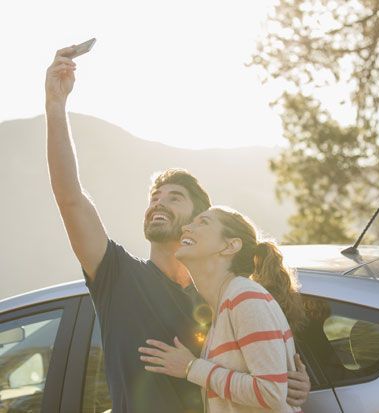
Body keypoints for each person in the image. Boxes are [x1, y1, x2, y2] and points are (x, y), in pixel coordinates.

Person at [45, 45, 311, 413]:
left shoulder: (225, 295)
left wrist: (297, 380)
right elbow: (70, 198)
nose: (158, 203)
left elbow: (270, 366)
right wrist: (55, 105)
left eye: (174, 198)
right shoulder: (117, 275)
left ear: (198, 220)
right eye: (155, 196)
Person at [139, 206, 305, 412]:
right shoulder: (226, 305)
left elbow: (271, 392)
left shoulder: (245, 297)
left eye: (203, 222)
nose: (186, 227)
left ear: (230, 246)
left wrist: (191, 367)